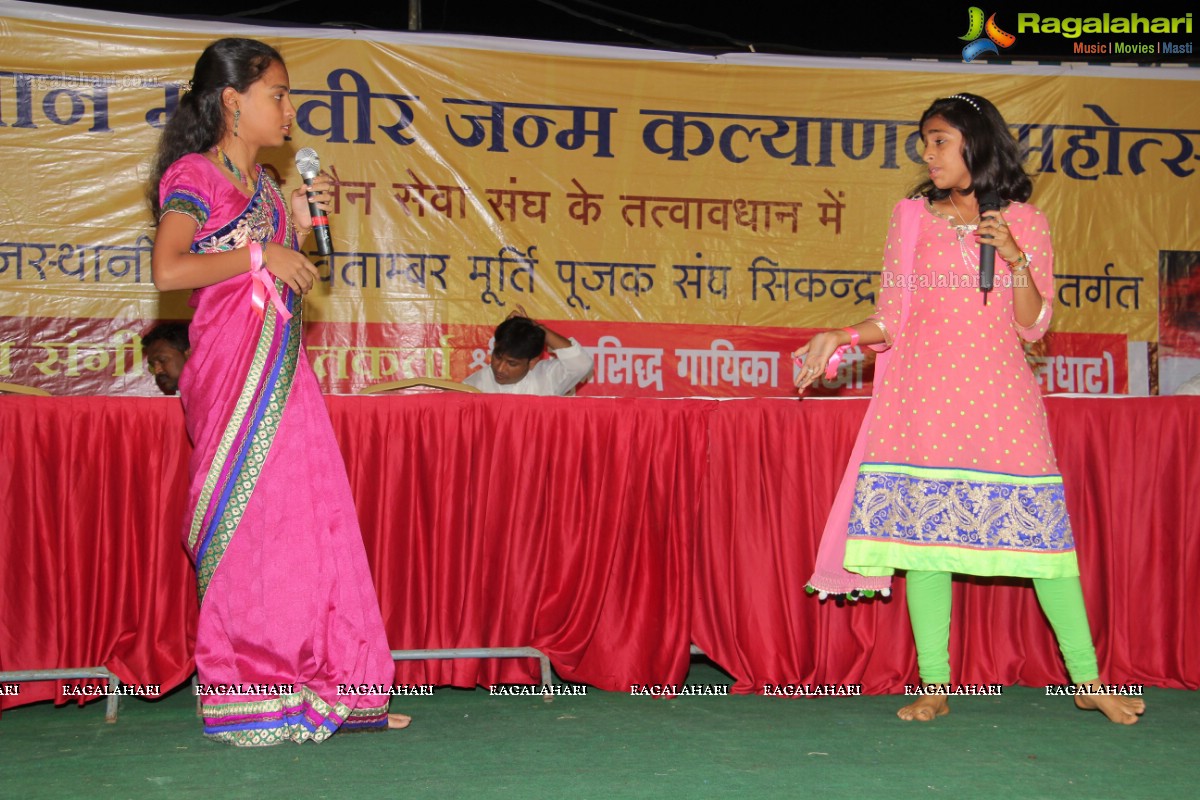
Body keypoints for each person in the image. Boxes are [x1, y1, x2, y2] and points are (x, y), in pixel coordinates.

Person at [793, 93, 1144, 725]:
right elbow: (893, 318)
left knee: (1044, 544)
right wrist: (839, 337)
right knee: (925, 546)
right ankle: (934, 684)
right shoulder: (910, 218)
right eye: (924, 142)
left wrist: (1014, 259)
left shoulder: (1025, 222)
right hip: (923, 400)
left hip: (1001, 402)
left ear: (975, 145)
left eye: (939, 141)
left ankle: (1088, 679)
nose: (927, 154)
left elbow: (1035, 325)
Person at [148, 38, 408, 745]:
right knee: (259, 530)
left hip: (284, 372)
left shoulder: (264, 188)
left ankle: (339, 685)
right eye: (279, 95)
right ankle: (254, 692)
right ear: (233, 102)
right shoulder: (195, 175)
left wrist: (299, 222)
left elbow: (302, 273)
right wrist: (265, 248)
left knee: (312, 522)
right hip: (233, 381)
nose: (290, 109)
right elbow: (170, 271)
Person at [465, 305, 594, 395]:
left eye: (512, 363)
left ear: (533, 362)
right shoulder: (473, 385)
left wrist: (534, 326)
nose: (500, 369)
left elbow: (581, 364)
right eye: (498, 357)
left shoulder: (547, 377)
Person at [142, 321, 191, 395]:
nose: (157, 370)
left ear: (189, 353)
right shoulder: (191, 397)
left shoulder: (213, 393)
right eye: (152, 365)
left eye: (162, 360)